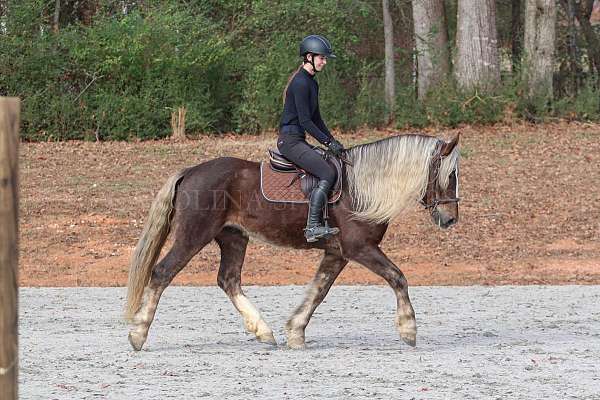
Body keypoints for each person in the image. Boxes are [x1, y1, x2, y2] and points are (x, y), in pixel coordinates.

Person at [277, 34, 345, 243]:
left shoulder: (311, 83)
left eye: (324, 58)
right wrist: (326, 142)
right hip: (289, 141)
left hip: (298, 139)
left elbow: (316, 118)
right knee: (327, 171)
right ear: (309, 57)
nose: (324, 62)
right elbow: (306, 122)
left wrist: (333, 141)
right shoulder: (300, 83)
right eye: (321, 58)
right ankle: (313, 226)